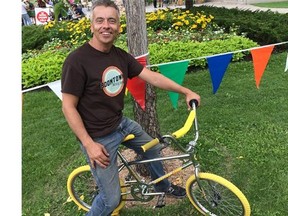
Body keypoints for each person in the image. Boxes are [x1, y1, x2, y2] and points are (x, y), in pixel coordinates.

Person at [61, 0, 201, 215]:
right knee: (111, 201)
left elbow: (152, 77)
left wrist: (185, 91)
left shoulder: (120, 56)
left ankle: (161, 186)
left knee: (153, 149)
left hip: (122, 124)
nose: (106, 25)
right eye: (100, 20)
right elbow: (68, 107)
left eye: (112, 21)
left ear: (118, 27)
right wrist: (89, 144)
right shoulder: (77, 61)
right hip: (98, 137)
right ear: (91, 26)